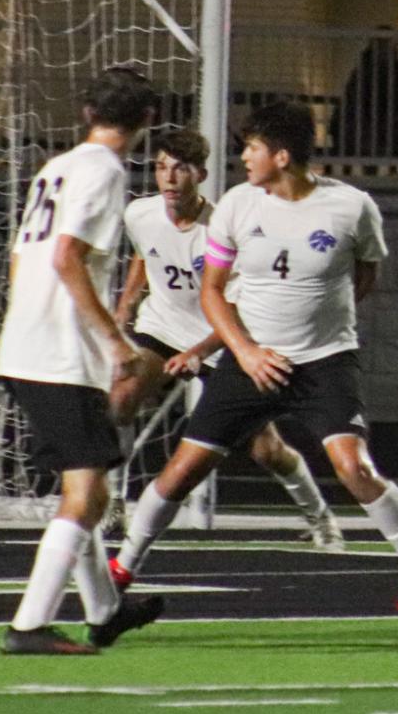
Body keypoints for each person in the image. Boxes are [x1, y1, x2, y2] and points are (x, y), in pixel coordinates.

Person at [111, 101, 398, 611]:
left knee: (354, 467)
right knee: (182, 471)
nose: (244, 157)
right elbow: (212, 293)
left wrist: (318, 323)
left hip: (324, 361)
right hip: (250, 361)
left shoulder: (352, 207)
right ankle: (123, 567)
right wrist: (247, 352)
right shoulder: (236, 205)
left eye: (252, 148)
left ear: (281, 155)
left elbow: (364, 277)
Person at [0, 66, 165, 656]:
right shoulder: (105, 172)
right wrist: (116, 343)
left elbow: (25, 259)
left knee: (83, 486)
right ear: (148, 120)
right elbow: (68, 256)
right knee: (88, 497)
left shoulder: (55, 167)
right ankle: (28, 626)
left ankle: (106, 612)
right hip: (60, 354)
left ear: (88, 113)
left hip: (26, 344)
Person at [110, 128, 344, 553]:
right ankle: (112, 503)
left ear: (199, 173)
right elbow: (146, 253)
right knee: (122, 396)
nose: (168, 178)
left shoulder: (222, 229)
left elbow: (236, 307)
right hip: (162, 326)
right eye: (161, 167)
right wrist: (126, 305)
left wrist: (199, 353)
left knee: (266, 450)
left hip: (219, 338)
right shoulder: (139, 214)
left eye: (180, 168)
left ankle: (321, 519)